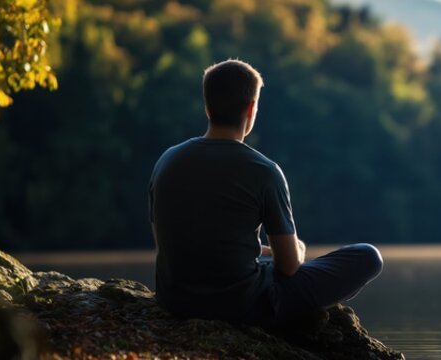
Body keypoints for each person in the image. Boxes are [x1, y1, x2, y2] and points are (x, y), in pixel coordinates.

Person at [148, 59, 383, 334]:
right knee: (368, 256)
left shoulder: (167, 160)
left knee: (269, 262)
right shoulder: (264, 171)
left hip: (175, 300)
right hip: (244, 305)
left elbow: (169, 245)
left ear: (207, 107)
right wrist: (298, 249)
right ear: (251, 109)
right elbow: (289, 267)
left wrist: (261, 252)